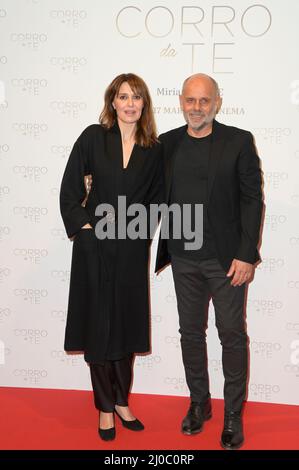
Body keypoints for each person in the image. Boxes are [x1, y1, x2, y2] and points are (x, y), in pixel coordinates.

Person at [155, 73, 263, 450]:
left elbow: (252, 200)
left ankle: (233, 413)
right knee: (190, 333)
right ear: (180, 102)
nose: (196, 108)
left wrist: (246, 254)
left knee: (231, 334)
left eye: (204, 101)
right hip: (183, 258)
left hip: (227, 261)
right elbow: (139, 182)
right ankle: (199, 403)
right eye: (190, 100)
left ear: (217, 102)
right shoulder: (165, 144)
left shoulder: (238, 141)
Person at [60, 73, 163, 441]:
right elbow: (70, 188)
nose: (130, 104)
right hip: (94, 249)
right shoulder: (92, 137)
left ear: (144, 104)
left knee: (126, 324)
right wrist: (85, 228)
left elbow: (157, 199)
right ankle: (104, 406)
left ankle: (122, 400)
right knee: (99, 326)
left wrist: (140, 232)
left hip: (132, 248)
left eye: (137, 97)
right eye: (123, 97)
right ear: (113, 102)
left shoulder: (153, 148)